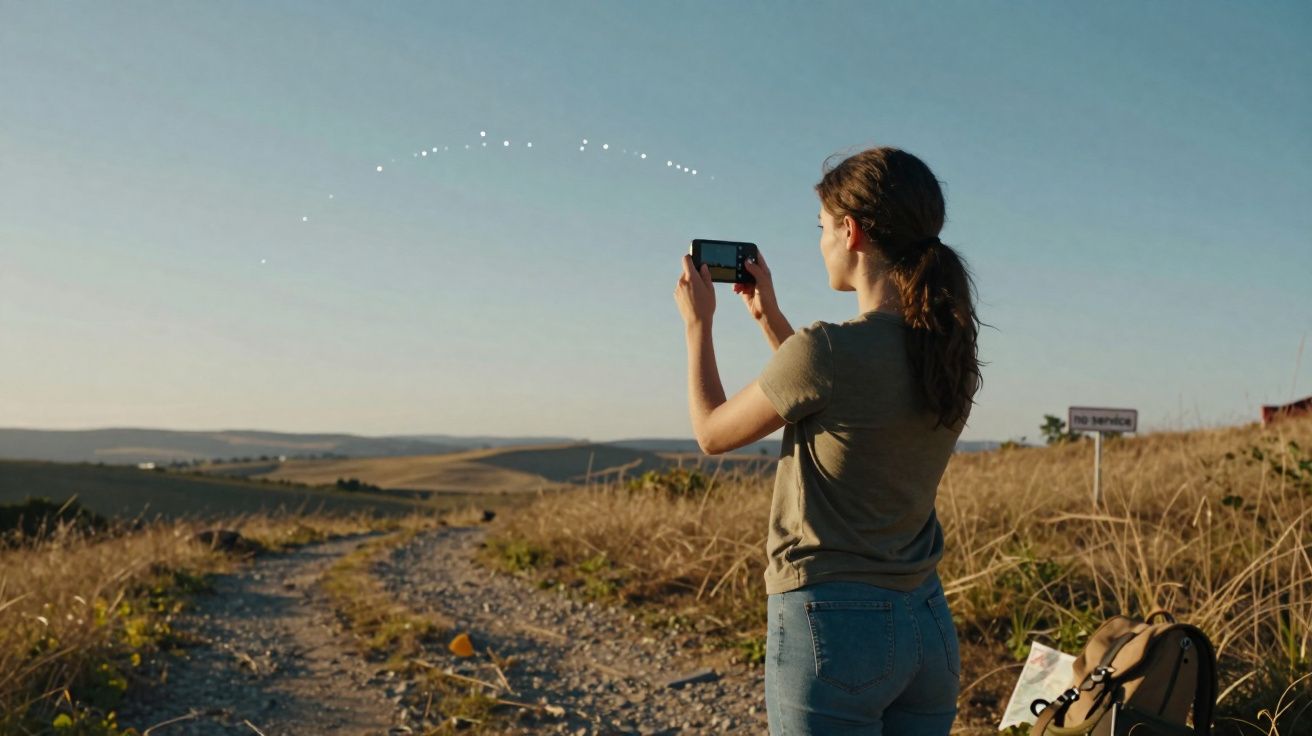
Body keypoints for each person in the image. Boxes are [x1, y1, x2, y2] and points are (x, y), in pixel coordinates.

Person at [673, 146, 982, 735]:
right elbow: (840, 401)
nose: (820, 244)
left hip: (833, 627)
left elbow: (712, 432)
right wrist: (770, 321)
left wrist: (699, 325)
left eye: (821, 228)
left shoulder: (827, 351)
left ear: (852, 230)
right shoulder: (949, 354)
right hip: (927, 625)